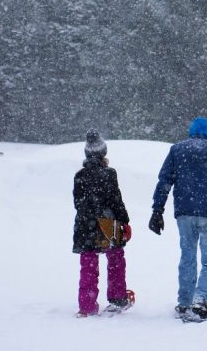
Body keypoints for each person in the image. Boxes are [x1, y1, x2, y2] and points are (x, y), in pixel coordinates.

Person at [149, 116, 207, 321]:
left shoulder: (177, 150)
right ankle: (199, 300)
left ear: (191, 132)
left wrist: (157, 210)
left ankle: (184, 303)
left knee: (187, 257)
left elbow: (164, 181)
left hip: (185, 212)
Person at [73, 130, 133, 317]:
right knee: (115, 260)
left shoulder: (80, 175)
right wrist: (125, 221)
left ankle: (87, 306)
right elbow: (116, 200)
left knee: (88, 265)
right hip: (107, 223)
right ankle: (117, 298)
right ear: (103, 153)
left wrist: (89, 213)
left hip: (85, 224)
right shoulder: (109, 174)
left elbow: (77, 203)